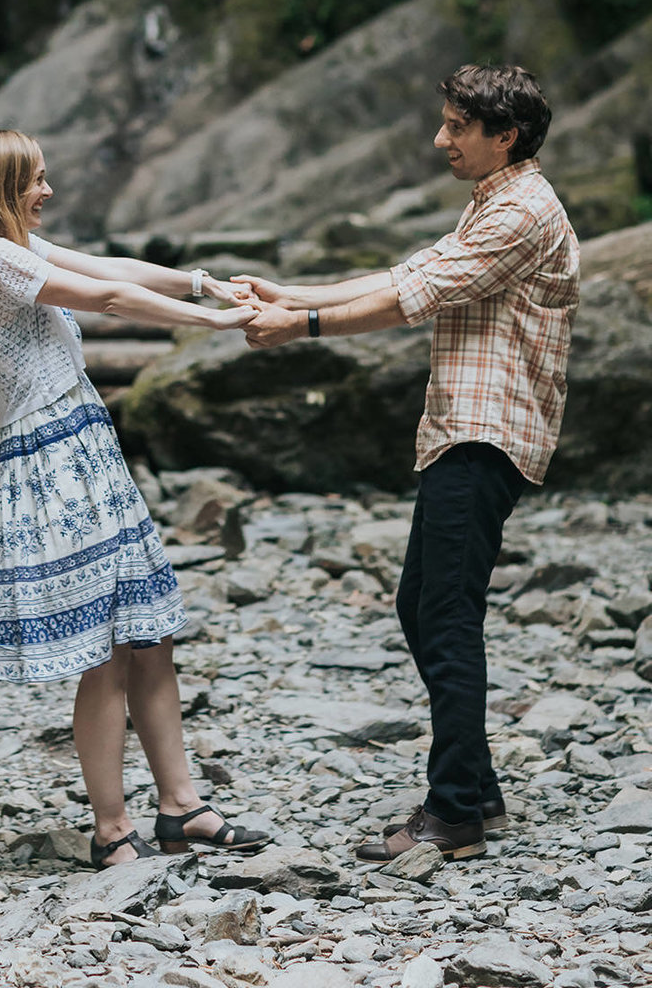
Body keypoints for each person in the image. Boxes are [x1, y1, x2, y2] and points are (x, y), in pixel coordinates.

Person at [234, 65, 579, 863]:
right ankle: (479, 790)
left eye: (458, 126)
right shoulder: (498, 200)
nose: (441, 139)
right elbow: (407, 275)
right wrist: (287, 294)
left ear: (506, 137)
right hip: (464, 428)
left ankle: (454, 809)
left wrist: (302, 326)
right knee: (422, 605)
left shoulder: (521, 214)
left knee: (448, 617)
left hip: (488, 432)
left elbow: (404, 302)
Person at [0, 129, 266, 870]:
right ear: (0, 187)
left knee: (149, 638)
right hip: (53, 464)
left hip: (86, 450)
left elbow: (111, 266)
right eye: (35, 180)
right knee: (109, 652)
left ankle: (182, 808)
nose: (47, 191)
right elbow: (111, 297)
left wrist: (199, 281)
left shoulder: (14, 246)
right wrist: (213, 324)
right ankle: (112, 830)